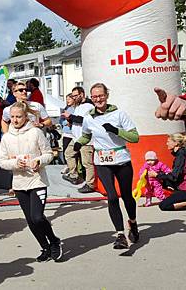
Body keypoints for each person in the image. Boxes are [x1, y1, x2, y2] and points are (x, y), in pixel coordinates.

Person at [73, 83, 139, 249]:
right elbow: (86, 136)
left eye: (101, 96)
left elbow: (134, 137)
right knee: (111, 197)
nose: (98, 99)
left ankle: (133, 222)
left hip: (121, 159)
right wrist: (79, 143)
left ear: (107, 95)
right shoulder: (89, 117)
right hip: (102, 161)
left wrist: (116, 131)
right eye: (94, 97)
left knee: (126, 196)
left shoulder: (119, 114)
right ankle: (120, 235)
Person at [0, 102, 62, 262]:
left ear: (26, 116)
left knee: (37, 217)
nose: (15, 120)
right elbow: (2, 161)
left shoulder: (35, 133)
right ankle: (45, 247)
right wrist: (14, 164)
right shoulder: (6, 138)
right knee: (30, 221)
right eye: (12, 117)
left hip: (37, 181)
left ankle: (54, 241)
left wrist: (39, 161)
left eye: (18, 116)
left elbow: (49, 153)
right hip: (19, 183)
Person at [64, 86, 96, 191]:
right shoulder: (79, 106)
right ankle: (74, 175)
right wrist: (70, 120)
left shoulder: (89, 106)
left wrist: (70, 117)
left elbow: (85, 120)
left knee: (87, 162)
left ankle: (90, 184)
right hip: (76, 138)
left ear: (82, 94)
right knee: (68, 153)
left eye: (75, 96)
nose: (73, 98)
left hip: (86, 139)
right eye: (72, 96)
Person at [59, 93, 75, 166]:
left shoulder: (75, 108)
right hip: (66, 133)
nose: (67, 101)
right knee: (65, 150)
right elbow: (61, 120)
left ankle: (72, 168)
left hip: (72, 133)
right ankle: (68, 166)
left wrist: (71, 122)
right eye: (66, 99)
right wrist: (66, 122)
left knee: (71, 152)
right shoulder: (66, 108)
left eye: (69, 99)